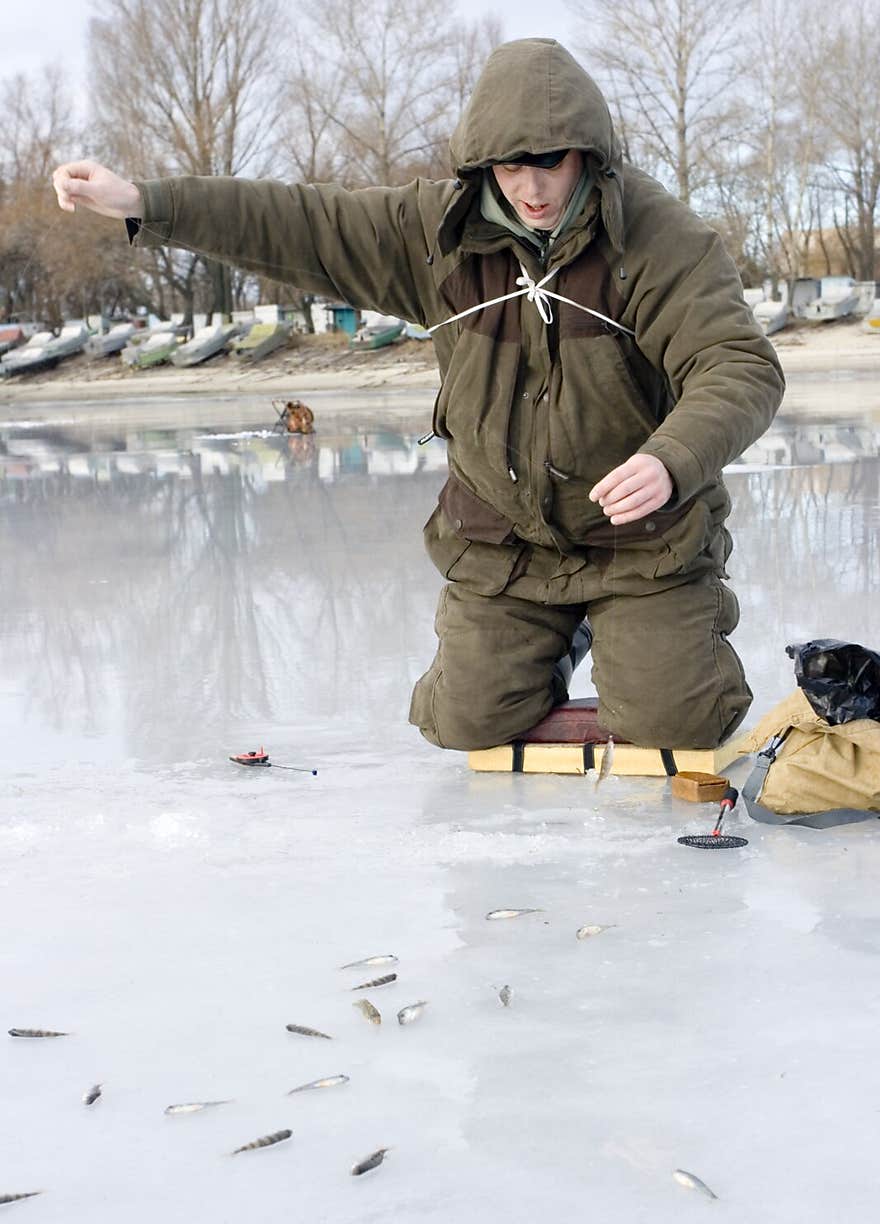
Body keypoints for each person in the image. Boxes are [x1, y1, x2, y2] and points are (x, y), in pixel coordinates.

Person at [53, 37, 784, 753]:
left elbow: (738, 365)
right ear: (483, 163)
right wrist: (146, 203)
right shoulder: (435, 234)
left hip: (640, 547)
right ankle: (558, 638)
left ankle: (650, 632)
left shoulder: (658, 242)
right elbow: (297, 223)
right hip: (507, 547)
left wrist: (672, 458)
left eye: (551, 165)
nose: (532, 189)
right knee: (461, 722)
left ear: (587, 154)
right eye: (511, 166)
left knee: (680, 720)